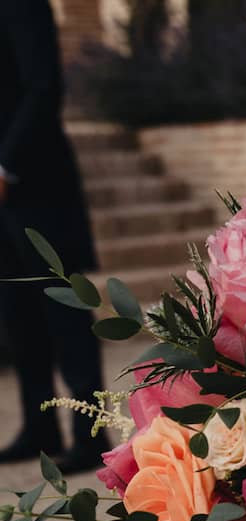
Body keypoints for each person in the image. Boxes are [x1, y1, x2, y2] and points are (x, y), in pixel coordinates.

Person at [0, 0, 108, 473]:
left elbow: (43, 87)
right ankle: (38, 428)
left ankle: (91, 435)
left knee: (65, 313)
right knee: (16, 313)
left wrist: (5, 165)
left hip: (34, 180)